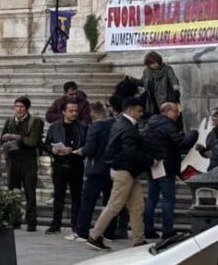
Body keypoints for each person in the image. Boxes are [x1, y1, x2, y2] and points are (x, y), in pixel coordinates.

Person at [87, 97, 153, 251]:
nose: (141, 113)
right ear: (130, 110)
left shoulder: (123, 124)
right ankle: (94, 236)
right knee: (115, 205)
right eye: (139, 111)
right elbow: (131, 153)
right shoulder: (127, 127)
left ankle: (139, 239)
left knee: (137, 206)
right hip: (124, 171)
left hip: (128, 171)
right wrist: (150, 160)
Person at [143, 102, 197, 239]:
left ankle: (148, 229)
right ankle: (167, 231)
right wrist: (194, 133)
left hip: (153, 165)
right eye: (175, 111)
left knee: (151, 198)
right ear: (167, 112)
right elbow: (182, 144)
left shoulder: (150, 124)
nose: (178, 114)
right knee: (168, 199)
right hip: (166, 166)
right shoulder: (167, 126)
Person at [73, 101, 117, 241]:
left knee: (88, 201)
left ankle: (82, 231)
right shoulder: (114, 124)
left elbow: (90, 149)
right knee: (110, 201)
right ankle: (109, 232)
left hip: (96, 169)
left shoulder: (96, 127)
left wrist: (81, 151)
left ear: (93, 112)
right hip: (111, 168)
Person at [1, 96, 44, 232]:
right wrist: (5, 142)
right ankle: (15, 220)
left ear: (27, 108)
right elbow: (1, 138)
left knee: (30, 192)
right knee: (13, 191)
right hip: (12, 159)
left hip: (28, 160)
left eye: (22, 107)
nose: (19, 109)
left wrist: (16, 137)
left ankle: (31, 222)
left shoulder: (35, 121)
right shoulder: (9, 121)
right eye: (16, 106)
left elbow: (33, 141)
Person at [43, 101, 87, 234]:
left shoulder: (83, 127)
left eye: (75, 111)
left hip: (76, 165)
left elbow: (86, 145)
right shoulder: (54, 127)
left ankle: (76, 224)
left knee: (76, 197)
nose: (74, 113)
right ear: (63, 112)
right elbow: (46, 144)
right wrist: (52, 150)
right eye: (71, 111)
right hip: (59, 165)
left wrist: (72, 150)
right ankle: (56, 224)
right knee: (58, 195)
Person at [127, 52, 180, 118]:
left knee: (164, 117)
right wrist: (132, 80)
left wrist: (176, 90)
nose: (153, 65)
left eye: (155, 63)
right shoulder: (147, 71)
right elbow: (142, 82)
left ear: (159, 61)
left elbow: (173, 80)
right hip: (151, 101)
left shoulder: (167, 69)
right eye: (151, 64)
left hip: (165, 99)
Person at [194, 108, 218, 172]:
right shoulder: (212, 134)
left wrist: (213, 153)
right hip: (213, 172)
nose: (213, 118)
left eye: (216, 116)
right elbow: (209, 155)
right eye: (212, 116)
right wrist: (202, 150)